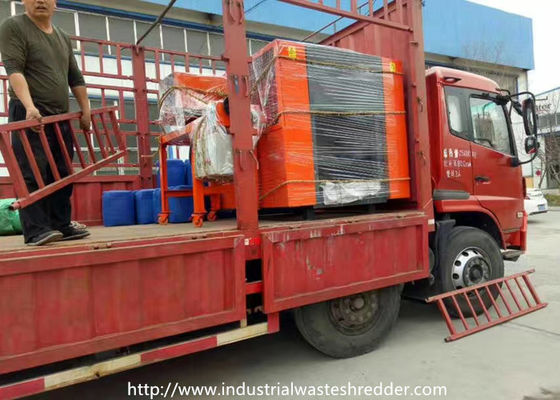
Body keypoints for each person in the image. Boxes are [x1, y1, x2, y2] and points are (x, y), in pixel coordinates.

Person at [0, 0, 90, 245]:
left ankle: (60, 224)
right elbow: (14, 70)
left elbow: (75, 76)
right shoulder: (14, 26)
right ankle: (36, 230)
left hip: (59, 116)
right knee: (32, 171)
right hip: (29, 112)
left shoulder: (62, 36)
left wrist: (86, 110)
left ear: (55, 3)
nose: (41, 1)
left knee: (62, 171)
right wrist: (30, 107)